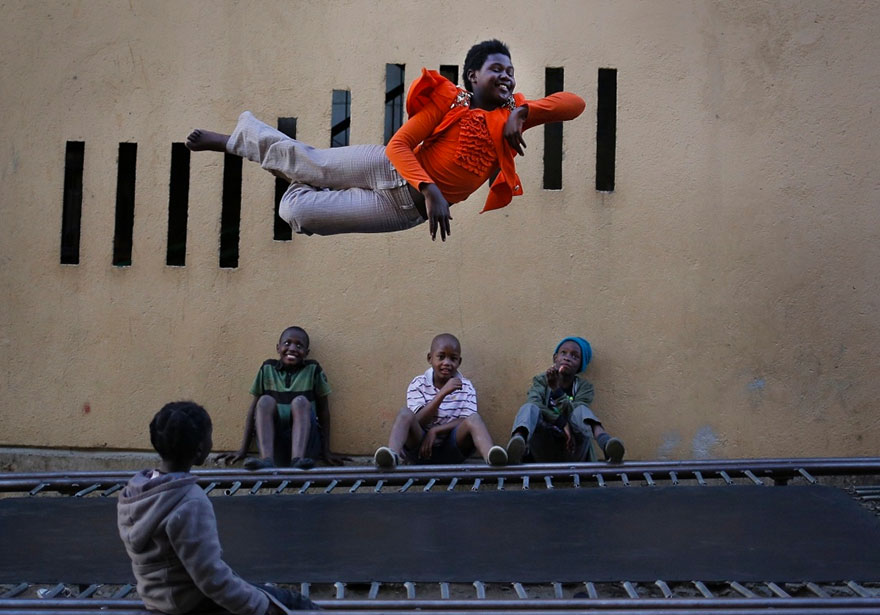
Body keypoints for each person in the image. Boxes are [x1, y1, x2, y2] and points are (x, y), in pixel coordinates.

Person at [186, 39, 585, 241]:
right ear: (473, 77)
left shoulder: (513, 117)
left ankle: (295, 181)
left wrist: (523, 111)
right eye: (496, 69)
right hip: (385, 165)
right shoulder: (449, 103)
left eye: (511, 72)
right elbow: (398, 146)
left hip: (401, 210)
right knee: (306, 160)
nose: (507, 77)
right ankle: (231, 140)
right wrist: (430, 189)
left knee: (297, 216)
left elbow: (575, 103)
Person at [117, 401, 319, 614]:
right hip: (191, 602)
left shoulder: (135, 491)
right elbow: (211, 578)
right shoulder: (189, 502)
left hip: (158, 597)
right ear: (200, 450)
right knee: (294, 604)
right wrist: (263, 607)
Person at [218, 326, 347, 471]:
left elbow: (324, 412)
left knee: (301, 402)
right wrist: (243, 449)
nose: (292, 348)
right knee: (264, 401)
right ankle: (266, 460)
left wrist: (326, 451)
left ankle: (297, 459)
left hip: (307, 449)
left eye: (299, 345)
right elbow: (254, 411)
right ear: (278, 348)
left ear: (306, 353)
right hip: (276, 448)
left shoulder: (313, 370)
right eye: (287, 343)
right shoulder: (267, 368)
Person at [374, 333, 507, 468]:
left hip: (453, 450)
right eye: (441, 357)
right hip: (420, 449)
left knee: (474, 419)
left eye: (453, 358)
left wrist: (436, 431)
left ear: (459, 362)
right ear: (430, 358)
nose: (447, 363)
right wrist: (442, 394)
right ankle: (391, 457)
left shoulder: (466, 386)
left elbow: (466, 419)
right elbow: (418, 420)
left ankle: (492, 457)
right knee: (405, 413)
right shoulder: (419, 383)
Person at [505, 337, 625, 464]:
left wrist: (557, 391)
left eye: (574, 356)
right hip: (542, 447)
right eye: (563, 353)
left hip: (573, 449)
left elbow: (575, 412)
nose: (567, 358)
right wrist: (561, 422)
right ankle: (517, 447)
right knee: (529, 407)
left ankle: (606, 444)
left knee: (582, 410)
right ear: (555, 358)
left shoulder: (584, 387)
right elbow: (535, 403)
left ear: (580, 365)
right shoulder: (541, 381)